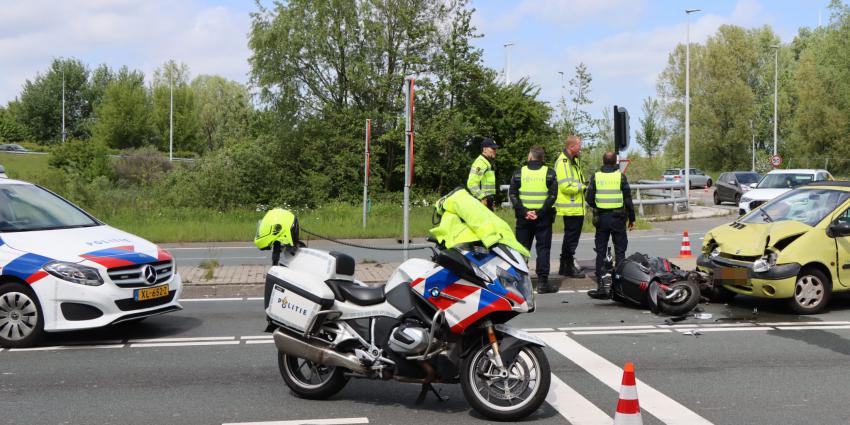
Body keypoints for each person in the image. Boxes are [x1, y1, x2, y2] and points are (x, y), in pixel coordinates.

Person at [585, 151, 636, 299]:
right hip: (618, 218)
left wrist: (599, 206)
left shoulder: (596, 176)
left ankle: (601, 286)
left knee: (601, 252)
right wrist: (632, 219)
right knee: (620, 251)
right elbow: (628, 200)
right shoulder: (620, 176)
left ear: (603, 161)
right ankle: (619, 286)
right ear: (615, 162)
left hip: (601, 218)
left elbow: (588, 198)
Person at [509, 147, 558, 293]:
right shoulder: (549, 173)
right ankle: (543, 283)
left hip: (524, 218)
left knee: (521, 249)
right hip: (543, 218)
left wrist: (524, 212)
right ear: (542, 158)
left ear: (530, 157)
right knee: (543, 249)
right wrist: (540, 212)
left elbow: (512, 194)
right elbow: (553, 196)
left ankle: (519, 283)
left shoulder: (518, 173)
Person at [554, 135, 588, 278]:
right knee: (570, 239)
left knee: (571, 238)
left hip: (575, 206)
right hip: (570, 207)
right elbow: (566, 186)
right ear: (571, 146)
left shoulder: (573, 160)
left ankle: (565, 266)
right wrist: (584, 187)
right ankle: (568, 267)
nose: (581, 147)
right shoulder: (564, 162)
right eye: (579, 145)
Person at [467, 138, 498, 210]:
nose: (495, 151)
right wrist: (482, 197)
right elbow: (471, 183)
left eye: (495, 149)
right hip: (482, 202)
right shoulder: (480, 162)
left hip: (487, 201)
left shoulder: (487, 162)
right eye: (493, 148)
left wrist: (491, 200)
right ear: (484, 149)